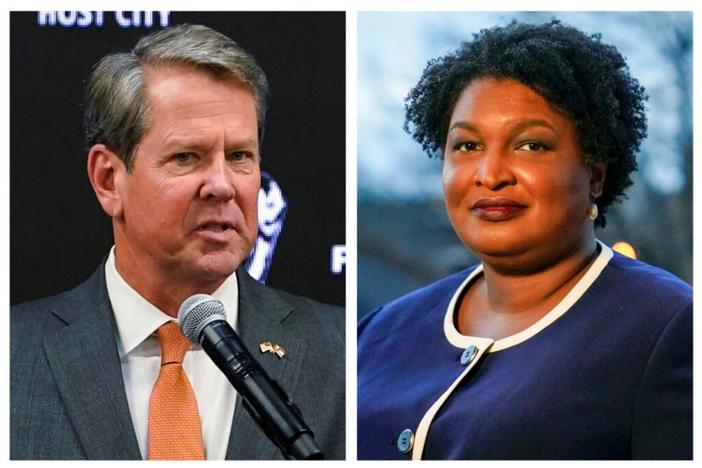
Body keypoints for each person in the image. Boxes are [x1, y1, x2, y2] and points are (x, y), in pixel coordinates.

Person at [357, 20, 691, 460]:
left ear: (594, 174)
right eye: (467, 146)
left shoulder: (669, 327)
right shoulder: (380, 331)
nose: (490, 175)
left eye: (530, 145)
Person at [11, 24, 344, 460]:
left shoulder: (344, 351)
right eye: (187, 157)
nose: (222, 186)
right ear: (109, 179)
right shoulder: (13, 357)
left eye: (240, 156)